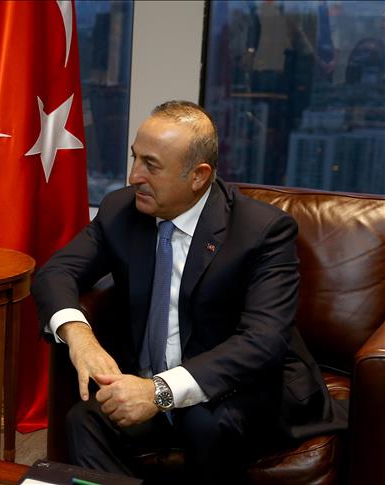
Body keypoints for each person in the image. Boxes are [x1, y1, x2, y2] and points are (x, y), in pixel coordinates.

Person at [32, 101, 344, 483]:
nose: (133, 176)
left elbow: (263, 342)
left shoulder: (262, 231)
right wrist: (80, 337)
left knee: (205, 423)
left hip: (239, 387)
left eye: (151, 165)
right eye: (134, 157)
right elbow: (56, 272)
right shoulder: (120, 211)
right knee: (85, 419)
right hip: (147, 381)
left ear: (198, 176)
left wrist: (158, 391)